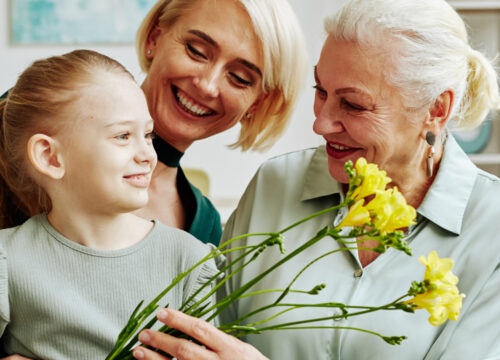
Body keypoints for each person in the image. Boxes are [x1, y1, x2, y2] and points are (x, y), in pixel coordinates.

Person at [129, 0, 500, 359]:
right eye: (321, 91)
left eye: (354, 104)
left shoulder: (491, 229)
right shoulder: (275, 184)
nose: (320, 124)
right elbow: (202, 334)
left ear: (436, 109)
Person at [0, 49, 218, 359]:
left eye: (147, 134)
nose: (147, 155)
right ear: (50, 156)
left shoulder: (189, 260)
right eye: (123, 135)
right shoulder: (7, 260)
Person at [132, 0, 308, 246]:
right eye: (197, 51)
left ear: (256, 103)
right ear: (154, 38)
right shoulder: (65, 139)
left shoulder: (206, 225)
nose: (207, 86)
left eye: (239, 78)